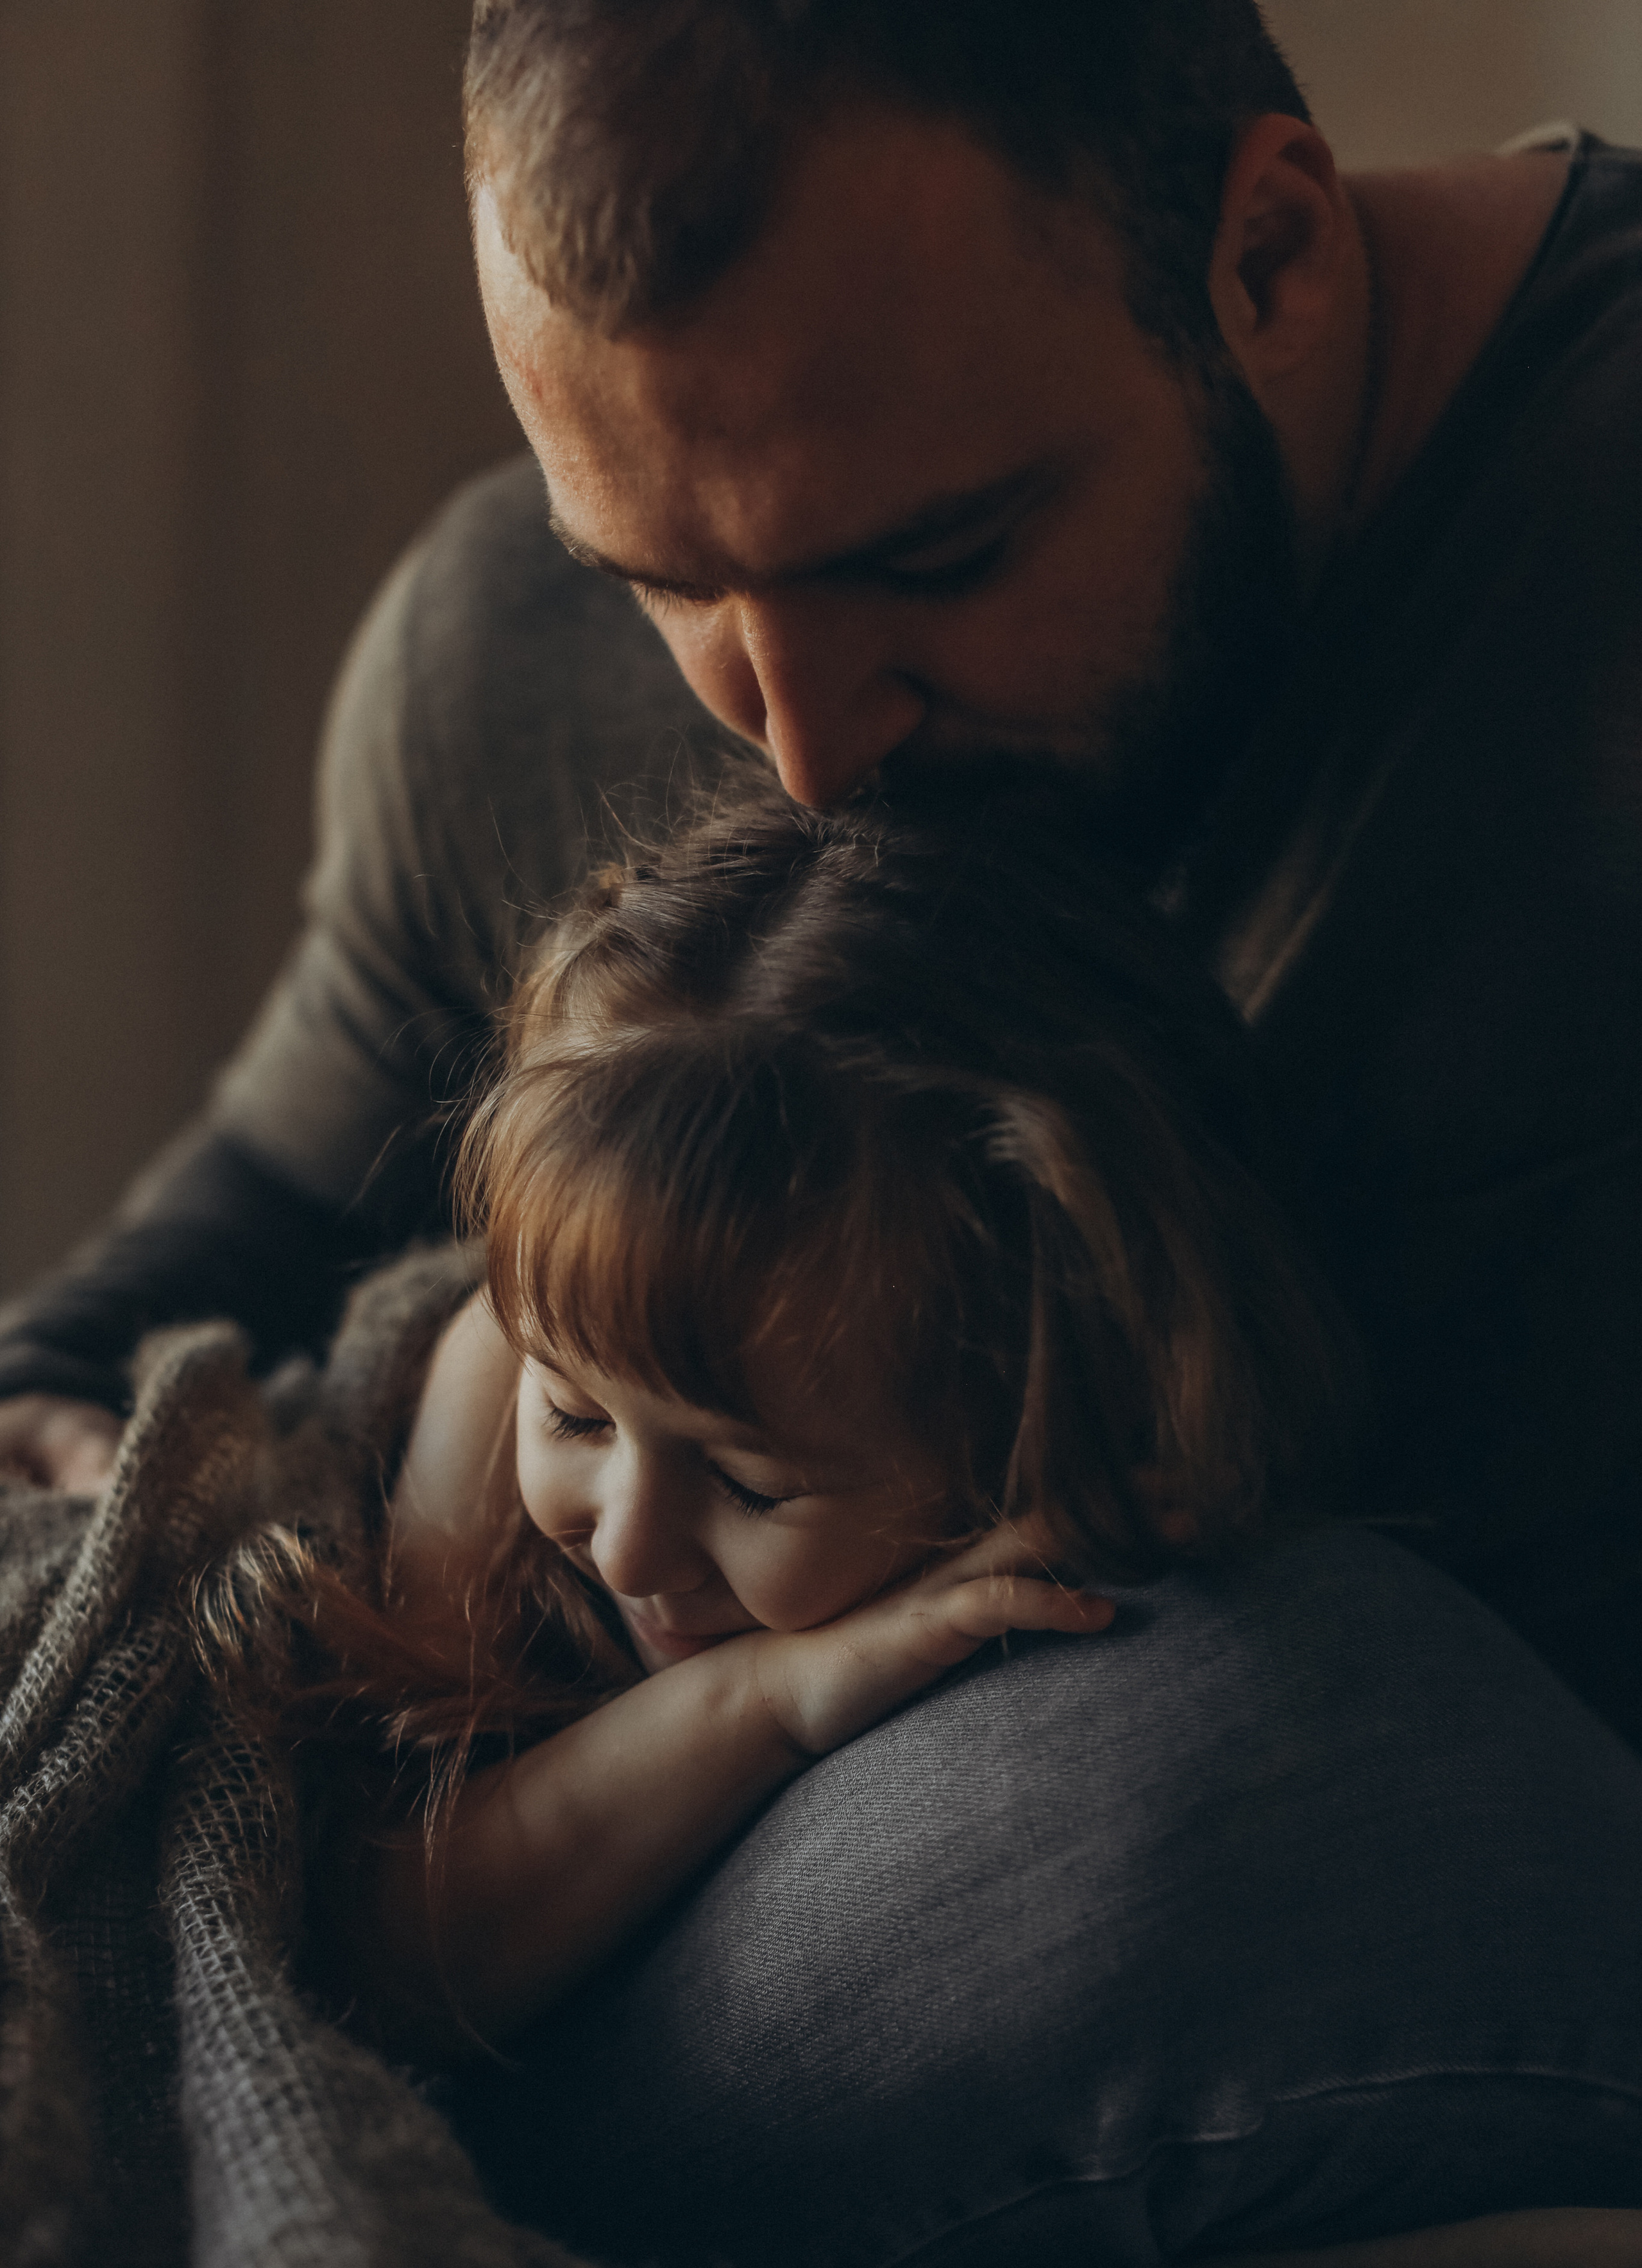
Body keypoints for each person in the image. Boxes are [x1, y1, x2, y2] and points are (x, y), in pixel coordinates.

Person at [1, 6, 1638, 1747]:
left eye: (932, 559)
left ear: (1268, 258)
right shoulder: (502, 647)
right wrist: (45, 1399)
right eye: (667, 583)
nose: (802, 751)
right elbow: (265, 1202)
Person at [278, 790, 1642, 2268]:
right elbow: (376, 1955)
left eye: (748, 1481)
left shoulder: (1065, 1480)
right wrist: (761, 1700)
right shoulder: (486, 1375)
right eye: (577, 1414)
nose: (630, 1537)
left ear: (1027, 1448)